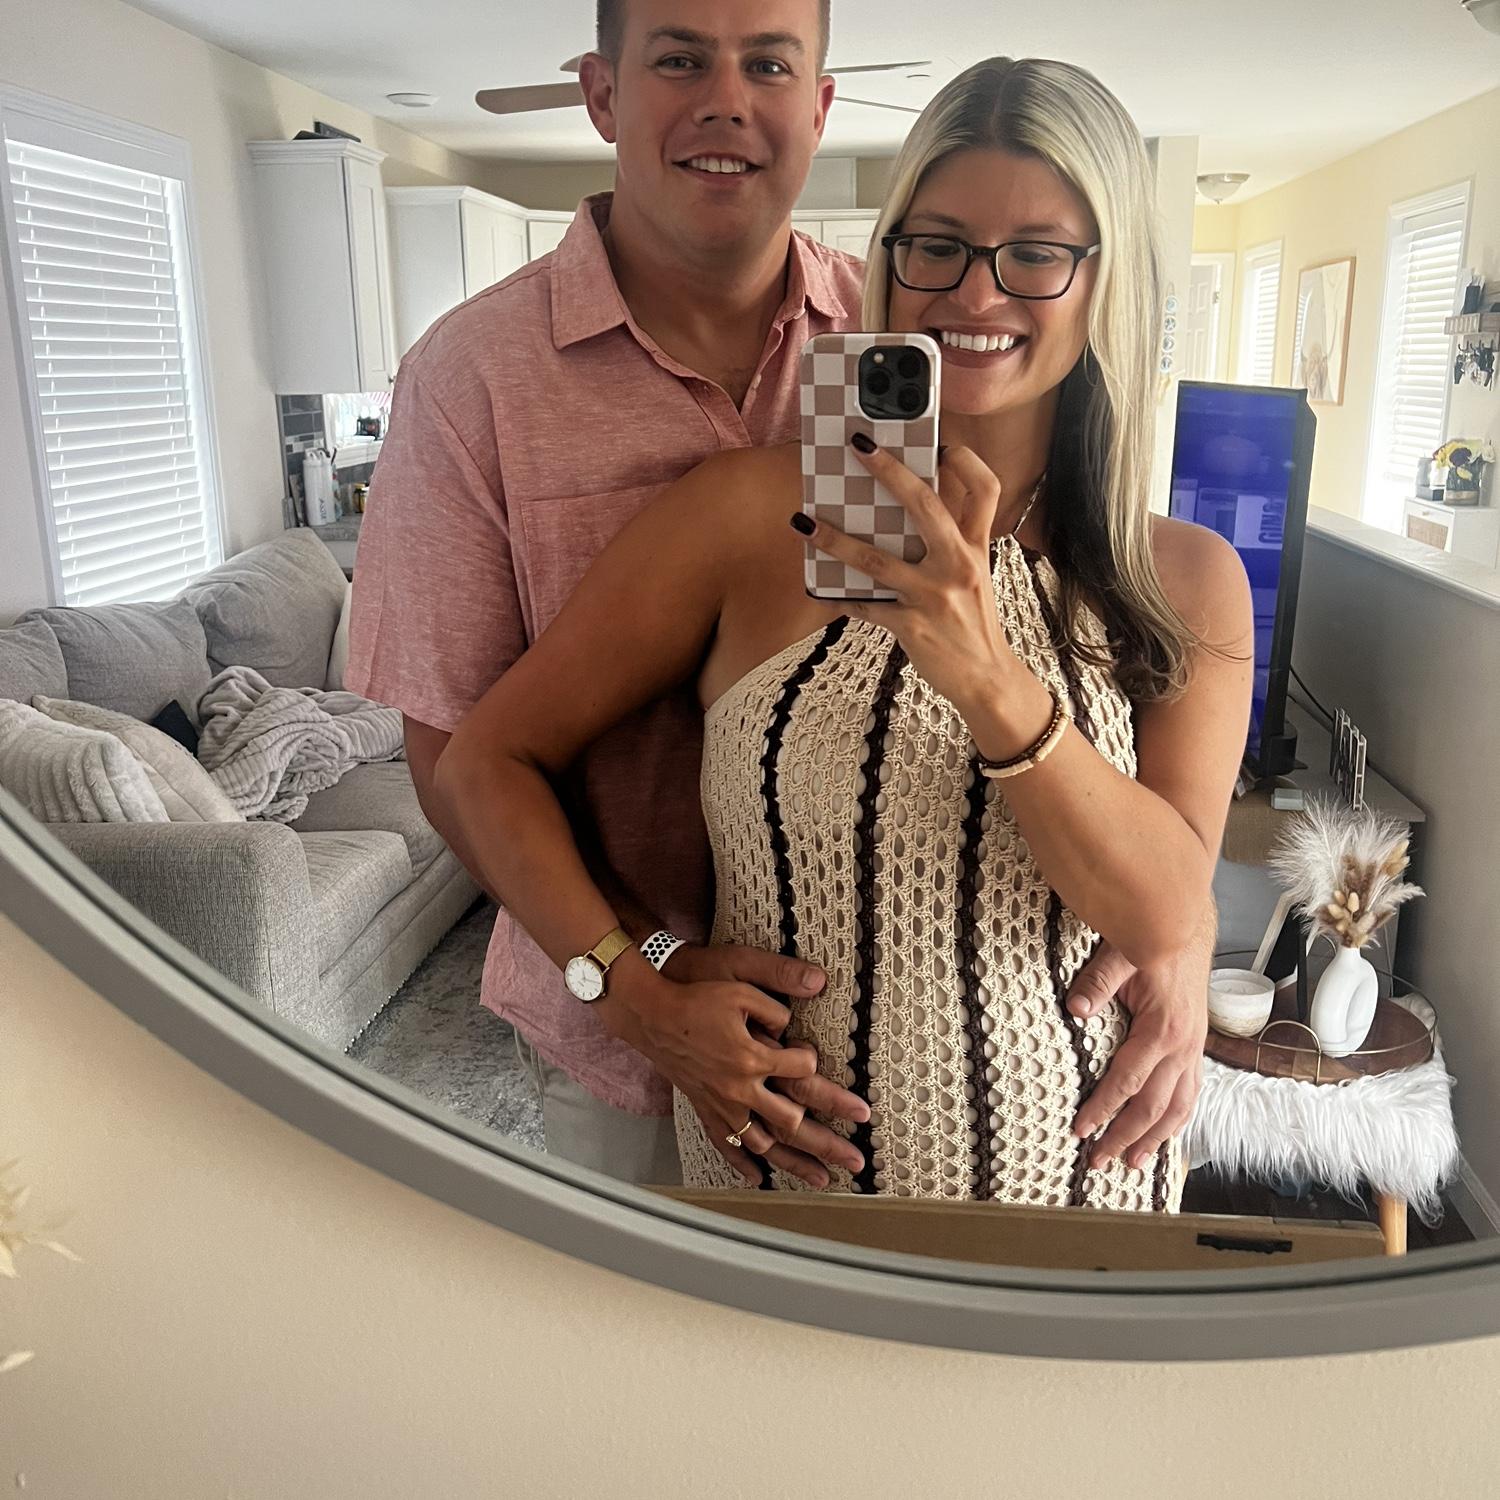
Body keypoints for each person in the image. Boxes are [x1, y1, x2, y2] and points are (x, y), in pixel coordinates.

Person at [429, 54, 1252, 1209]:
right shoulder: (748, 517)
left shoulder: (1186, 580)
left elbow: (1168, 913)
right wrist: (639, 980)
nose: (976, 296)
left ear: (1106, 279)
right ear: (887, 257)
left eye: (1038, 254)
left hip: (1087, 1212)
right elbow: (483, 762)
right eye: (936, 246)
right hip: (783, 1204)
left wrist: (986, 672)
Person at [346, 0, 871, 1189]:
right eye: (680, 59)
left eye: (769, 63)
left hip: (875, 1015)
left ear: (819, 106)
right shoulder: (470, 381)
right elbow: (451, 756)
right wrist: (638, 984)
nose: (727, 101)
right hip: (618, 1032)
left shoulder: (894, 341)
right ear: (602, 95)